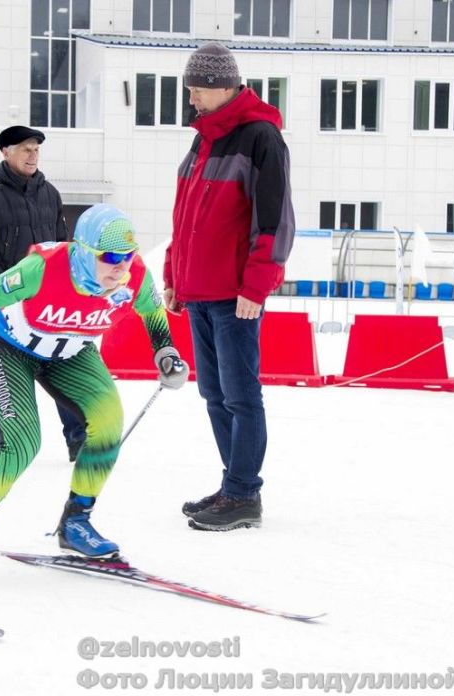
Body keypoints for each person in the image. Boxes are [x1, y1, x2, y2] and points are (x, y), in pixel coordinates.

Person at [0, 204, 188, 574]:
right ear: (82, 251)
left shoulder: (135, 278)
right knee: (22, 445)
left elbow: (153, 313)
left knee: (109, 420)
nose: (122, 266)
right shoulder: (41, 268)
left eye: (128, 256)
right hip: (12, 350)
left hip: (70, 353)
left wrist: (165, 349)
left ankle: (77, 521)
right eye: (111, 256)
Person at [164, 43, 295, 532]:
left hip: (236, 295)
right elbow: (185, 218)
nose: (192, 100)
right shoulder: (203, 140)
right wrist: (175, 275)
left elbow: (275, 220)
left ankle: (244, 494)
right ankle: (231, 486)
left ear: (221, 86)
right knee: (215, 395)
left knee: (242, 396)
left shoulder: (261, 137)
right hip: (199, 292)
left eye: (196, 91)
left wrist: (256, 286)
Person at [0, 125, 86, 464]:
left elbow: (63, 249)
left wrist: (66, 289)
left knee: (62, 366)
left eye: (36, 149)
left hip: (47, 306)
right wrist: (6, 292)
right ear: (6, 152)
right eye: (25, 149)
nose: (32, 155)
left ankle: (78, 438)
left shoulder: (50, 194)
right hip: (4, 305)